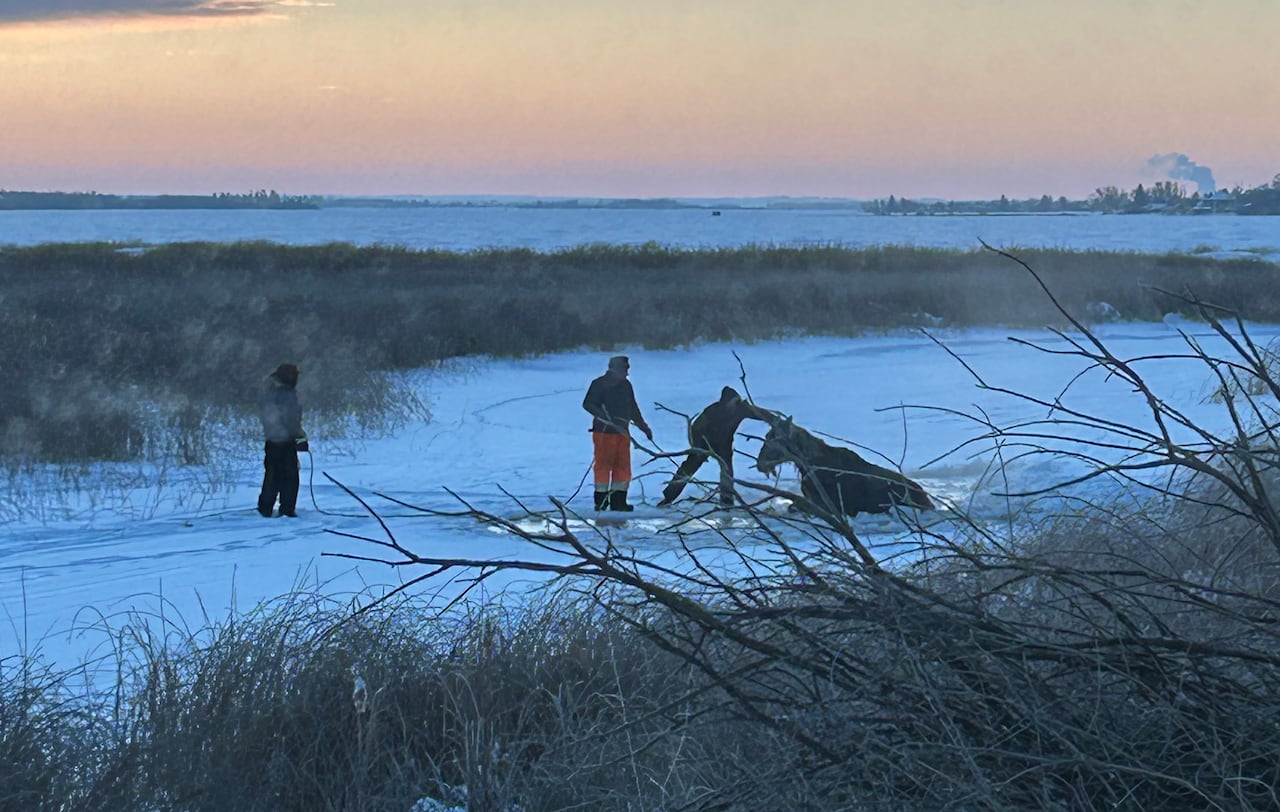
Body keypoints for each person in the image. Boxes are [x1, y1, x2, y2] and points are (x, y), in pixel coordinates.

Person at [658, 385, 774, 508]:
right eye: (731, 403)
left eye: (736, 402)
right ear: (724, 402)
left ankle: (726, 502)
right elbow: (695, 428)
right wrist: (697, 447)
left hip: (724, 444)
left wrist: (775, 421)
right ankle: (669, 497)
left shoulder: (742, 409)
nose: (733, 405)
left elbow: (759, 413)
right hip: (704, 443)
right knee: (688, 468)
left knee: (727, 471)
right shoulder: (712, 411)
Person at [582, 355, 653, 511]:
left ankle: (618, 501)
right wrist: (603, 416)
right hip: (604, 433)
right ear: (615, 369)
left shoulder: (626, 386)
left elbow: (633, 409)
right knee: (604, 466)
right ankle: (601, 501)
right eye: (625, 369)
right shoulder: (599, 384)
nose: (627, 373)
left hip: (622, 433)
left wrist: (644, 427)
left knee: (622, 467)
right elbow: (588, 404)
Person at [257, 362, 308, 518]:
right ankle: (287, 509)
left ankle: (265, 508)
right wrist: (300, 437)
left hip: (271, 441)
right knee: (290, 477)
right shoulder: (288, 395)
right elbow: (291, 419)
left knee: (272, 474)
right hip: (285, 442)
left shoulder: (269, 394)